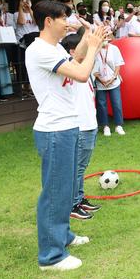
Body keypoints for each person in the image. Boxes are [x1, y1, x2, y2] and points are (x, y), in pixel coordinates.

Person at [25, 0, 106, 271]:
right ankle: (50, 256)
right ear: (49, 21)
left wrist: (88, 39)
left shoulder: (54, 47)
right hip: (54, 130)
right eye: (63, 18)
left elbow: (77, 58)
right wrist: (94, 47)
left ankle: (63, 237)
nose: (67, 23)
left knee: (66, 189)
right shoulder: (39, 51)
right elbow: (83, 73)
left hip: (67, 126)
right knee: (55, 193)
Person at [60, 32, 102, 221]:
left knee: (82, 166)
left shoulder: (84, 66)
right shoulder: (71, 66)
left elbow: (95, 50)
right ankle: (72, 204)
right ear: (73, 51)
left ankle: (79, 198)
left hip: (90, 123)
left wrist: (96, 36)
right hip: (81, 125)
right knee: (77, 167)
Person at [94, 34, 125, 136]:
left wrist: (113, 78)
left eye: (106, 37)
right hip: (100, 82)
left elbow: (118, 64)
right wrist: (100, 79)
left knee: (116, 103)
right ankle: (105, 126)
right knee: (101, 105)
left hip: (113, 81)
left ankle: (118, 125)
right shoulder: (94, 50)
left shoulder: (114, 49)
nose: (105, 40)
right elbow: (92, 67)